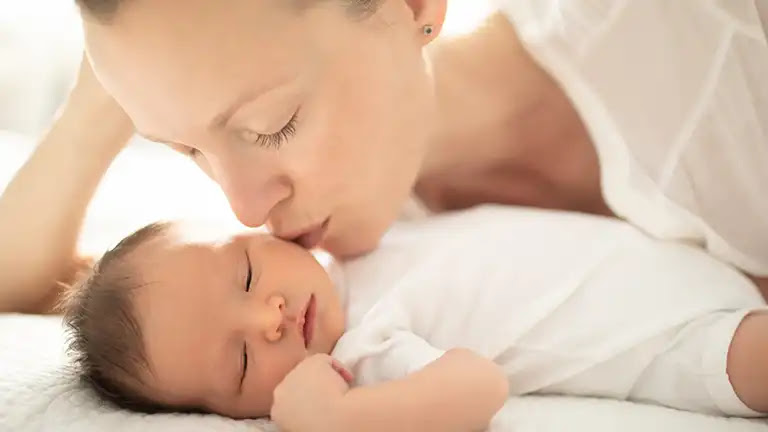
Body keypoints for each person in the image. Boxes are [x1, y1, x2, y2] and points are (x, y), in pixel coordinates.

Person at [1, 0, 767, 313]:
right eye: (187, 150)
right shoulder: (332, 255)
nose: (243, 208)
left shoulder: (708, 34)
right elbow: (29, 287)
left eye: (271, 127)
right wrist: (101, 107)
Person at [62, 206, 768, 430]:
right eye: (242, 361)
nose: (268, 318)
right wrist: (335, 418)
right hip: (678, 339)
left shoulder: (358, 237)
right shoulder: (362, 352)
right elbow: (477, 387)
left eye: (247, 274)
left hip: (682, 253)